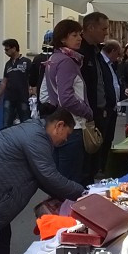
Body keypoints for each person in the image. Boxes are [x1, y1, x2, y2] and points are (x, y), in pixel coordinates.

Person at [0, 109, 85, 254]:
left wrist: (63, 195)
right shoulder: (36, 137)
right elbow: (48, 176)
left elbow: (44, 178)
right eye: (67, 134)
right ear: (59, 125)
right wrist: (83, 194)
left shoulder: (33, 132)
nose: (65, 140)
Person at [41, 19, 93, 183]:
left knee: (59, 178)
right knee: (70, 181)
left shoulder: (54, 59)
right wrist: (88, 112)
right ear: (63, 39)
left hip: (58, 123)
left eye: (80, 35)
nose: (79, 38)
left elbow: (45, 94)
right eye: (74, 35)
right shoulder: (66, 61)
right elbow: (67, 98)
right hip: (72, 126)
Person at [79, 12, 117, 181]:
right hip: (87, 115)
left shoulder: (95, 51)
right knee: (86, 162)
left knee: (96, 158)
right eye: (103, 28)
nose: (106, 32)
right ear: (91, 28)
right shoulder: (79, 52)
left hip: (101, 111)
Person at [0, 38, 32, 127]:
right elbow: (4, 81)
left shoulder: (26, 62)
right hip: (9, 97)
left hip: (23, 97)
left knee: (26, 122)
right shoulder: (8, 64)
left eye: (7, 49)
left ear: (14, 48)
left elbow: (32, 78)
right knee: (6, 123)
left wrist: (32, 92)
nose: (5, 52)